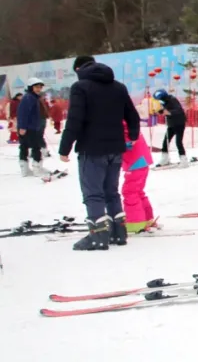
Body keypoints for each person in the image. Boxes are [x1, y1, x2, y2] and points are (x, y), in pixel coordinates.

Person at [58, 56, 142, 251]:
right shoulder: (118, 87)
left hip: (92, 149)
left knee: (93, 193)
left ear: (79, 69)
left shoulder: (81, 87)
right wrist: (134, 135)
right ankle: (118, 233)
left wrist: (65, 148)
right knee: (111, 192)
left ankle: (98, 236)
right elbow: (132, 115)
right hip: (116, 149)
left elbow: (74, 120)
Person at [120, 103, 155, 235]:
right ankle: (146, 218)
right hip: (140, 160)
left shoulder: (122, 124)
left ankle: (136, 222)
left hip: (135, 162)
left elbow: (126, 143)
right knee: (137, 191)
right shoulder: (128, 121)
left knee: (129, 191)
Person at [17, 78, 48, 177]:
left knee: (25, 147)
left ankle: (26, 169)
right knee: (35, 147)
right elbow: (23, 113)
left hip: (31, 127)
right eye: (36, 87)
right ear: (31, 87)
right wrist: (22, 127)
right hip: (29, 128)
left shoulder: (33, 97)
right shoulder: (29, 98)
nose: (39, 89)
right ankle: (36, 169)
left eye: (40, 87)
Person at [153, 88, 189, 168]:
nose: (159, 101)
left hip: (179, 123)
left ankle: (183, 159)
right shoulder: (165, 101)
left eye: (159, 99)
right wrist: (161, 111)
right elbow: (166, 109)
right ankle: (165, 158)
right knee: (166, 141)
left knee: (178, 142)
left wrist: (169, 112)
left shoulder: (172, 100)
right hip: (171, 124)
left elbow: (178, 110)